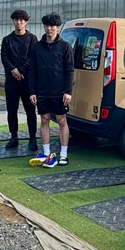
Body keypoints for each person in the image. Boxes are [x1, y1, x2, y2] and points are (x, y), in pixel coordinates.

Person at [28, 13, 74, 168]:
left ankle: (63, 154)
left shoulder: (65, 47)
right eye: (47, 25)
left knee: (62, 120)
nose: (49, 29)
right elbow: (32, 70)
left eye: (52, 26)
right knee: (44, 119)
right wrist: (32, 91)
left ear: (58, 27)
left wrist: (68, 91)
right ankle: (47, 153)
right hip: (42, 91)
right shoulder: (36, 47)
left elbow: (70, 70)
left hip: (60, 92)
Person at [0, 10, 38, 152]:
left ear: (26, 22)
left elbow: (33, 57)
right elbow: (4, 58)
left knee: (30, 110)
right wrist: (14, 71)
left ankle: (32, 138)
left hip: (28, 81)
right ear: (13, 21)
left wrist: (21, 70)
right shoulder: (7, 40)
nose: (19, 23)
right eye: (16, 20)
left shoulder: (32, 39)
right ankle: (14, 137)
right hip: (11, 81)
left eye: (22, 20)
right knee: (12, 110)